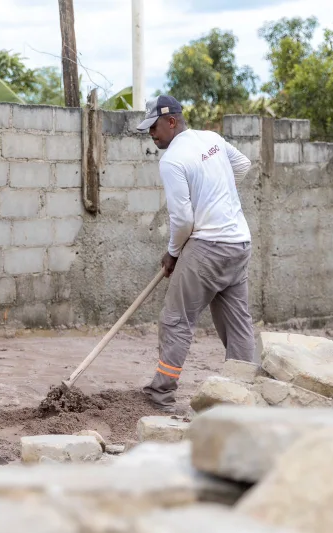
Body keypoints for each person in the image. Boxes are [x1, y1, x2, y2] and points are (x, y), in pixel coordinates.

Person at [136, 95, 256, 413]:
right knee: (236, 321)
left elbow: (184, 220)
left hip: (209, 248)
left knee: (176, 320)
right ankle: (246, 391)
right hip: (239, 243)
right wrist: (220, 198)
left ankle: (160, 395)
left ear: (172, 121)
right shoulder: (211, 140)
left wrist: (173, 253)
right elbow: (242, 165)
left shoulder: (172, 160)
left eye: (155, 126)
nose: (151, 133)